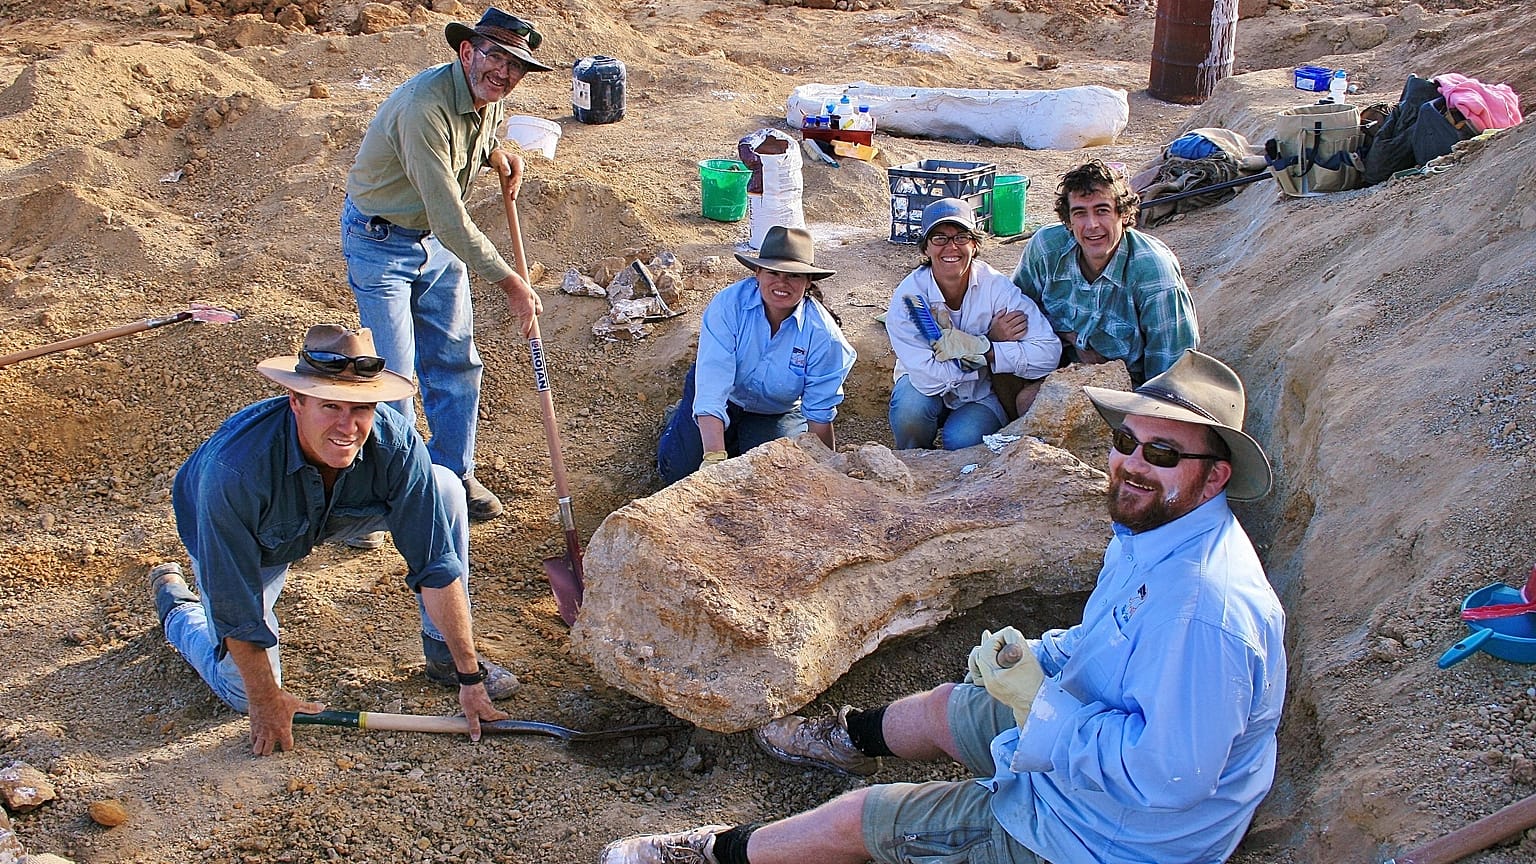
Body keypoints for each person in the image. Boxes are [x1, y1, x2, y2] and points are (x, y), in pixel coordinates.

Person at [603, 349, 1285, 864]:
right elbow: (1111, 642)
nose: (1133, 462)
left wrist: (1038, 706)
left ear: (1215, 473)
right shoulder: (1155, 531)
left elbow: (1166, 777)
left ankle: (716, 854)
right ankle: (842, 741)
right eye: (1125, 441)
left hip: (1110, 838)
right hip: (1092, 761)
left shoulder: (1204, 610)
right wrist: (1039, 658)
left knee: (867, 821)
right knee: (943, 708)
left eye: (1163, 451)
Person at [149, 325, 518, 757]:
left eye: (361, 409)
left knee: (444, 488)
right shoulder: (235, 474)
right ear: (296, 402)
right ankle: (178, 609)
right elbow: (236, 607)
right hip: (256, 541)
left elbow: (435, 564)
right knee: (241, 692)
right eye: (330, 407)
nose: (348, 426)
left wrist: (469, 676)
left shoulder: (395, 442)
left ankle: (441, 655)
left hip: (343, 511)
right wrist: (266, 699)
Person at [341, 6, 555, 521]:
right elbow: (450, 218)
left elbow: (474, 140)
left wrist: (497, 155)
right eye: (495, 58)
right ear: (466, 51)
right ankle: (386, 498)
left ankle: (453, 475)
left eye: (516, 67)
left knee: (457, 361)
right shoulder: (424, 108)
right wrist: (511, 283)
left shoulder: (488, 98)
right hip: (381, 241)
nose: (504, 74)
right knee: (394, 377)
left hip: (434, 247)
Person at [655, 225, 857, 486]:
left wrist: (827, 471)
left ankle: (739, 437)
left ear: (808, 282)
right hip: (725, 396)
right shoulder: (729, 306)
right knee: (679, 474)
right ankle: (683, 420)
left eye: (793, 276)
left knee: (776, 480)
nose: (782, 283)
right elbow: (713, 385)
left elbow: (819, 412)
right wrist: (714, 458)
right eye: (773, 272)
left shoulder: (824, 336)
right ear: (757, 272)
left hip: (775, 411)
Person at [885, 198, 1061, 450]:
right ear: (925, 249)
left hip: (980, 393)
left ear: (975, 245)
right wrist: (991, 342)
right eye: (939, 239)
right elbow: (929, 378)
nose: (951, 247)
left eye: (961, 237)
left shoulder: (997, 288)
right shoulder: (909, 299)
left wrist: (985, 348)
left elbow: (1048, 354)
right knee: (910, 411)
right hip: (924, 388)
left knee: (963, 440)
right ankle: (911, 462)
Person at [1011, 160, 1199, 386]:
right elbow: (1019, 311)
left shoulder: (1154, 273)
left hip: (1130, 389)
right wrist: (1071, 336)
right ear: (1068, 221)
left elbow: (1171, 372)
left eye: (1102, 211)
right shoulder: (1046, 248)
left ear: (1123, 214)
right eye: (1080, 213)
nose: (1092, 225)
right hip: (1061, 369)